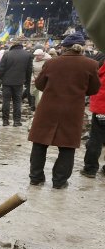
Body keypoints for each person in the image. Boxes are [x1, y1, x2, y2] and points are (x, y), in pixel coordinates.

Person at [28, 33, 100, 188]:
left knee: (40, 143)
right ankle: (59, 182)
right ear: (82, 48)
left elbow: (40, 85)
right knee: (67, 146)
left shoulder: (52, 63)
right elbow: (94, 89)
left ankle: (36, 178)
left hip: (48, 108)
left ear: (64, 47)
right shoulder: (91, 64)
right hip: (72, 110)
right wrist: (78, 91)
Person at [0, 40, 33, 126]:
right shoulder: (27, 54)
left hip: (6, 82)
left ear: (13, 46)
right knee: (17, 102)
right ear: (21, 46)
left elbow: (0, 70)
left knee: (6, 101)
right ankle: (17, 121)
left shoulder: (7, 54)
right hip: (19, 82)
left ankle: (5, 121)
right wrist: (28, 82)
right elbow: (29, 70)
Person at [80, 61, 105, 178]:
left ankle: (90, 169)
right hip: (101, 108)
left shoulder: (101, 67)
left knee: (96, 139)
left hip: (101, 109)